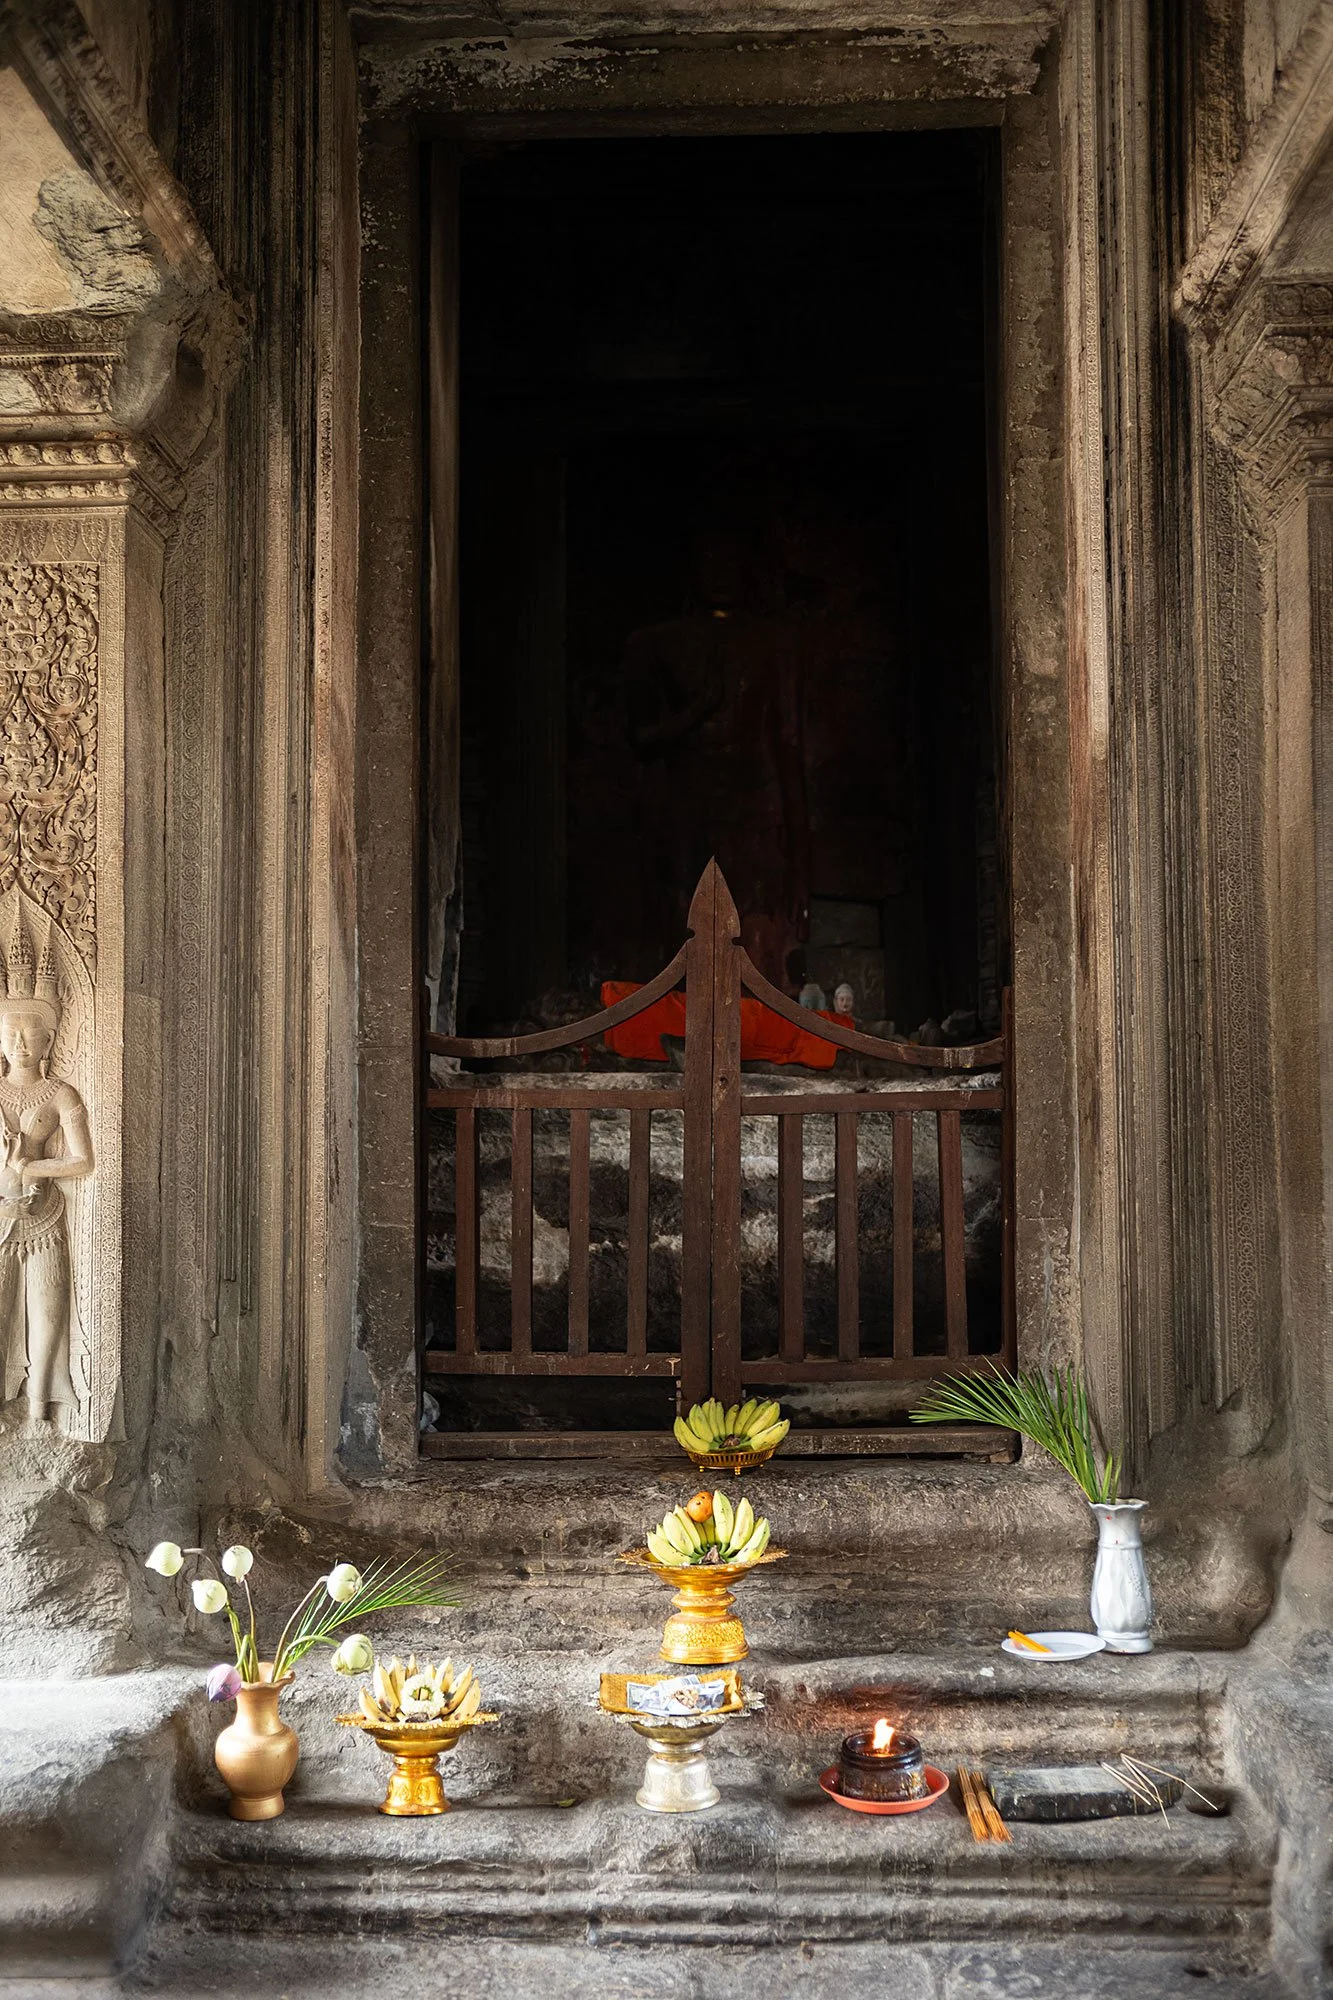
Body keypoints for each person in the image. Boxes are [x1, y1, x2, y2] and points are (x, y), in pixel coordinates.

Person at [0, 922, 92, 1425]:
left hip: (46, 1220)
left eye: (31, 1034)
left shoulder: (61, 1095)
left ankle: (39, 1410)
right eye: (10, 1034)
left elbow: (83, 1162)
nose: (20, 1044)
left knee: (48, 1320)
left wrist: (32, 1165)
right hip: (1, 1220)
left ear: (51, 1038)